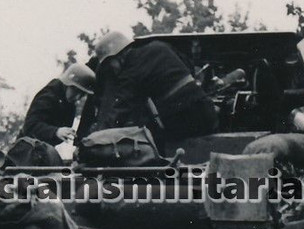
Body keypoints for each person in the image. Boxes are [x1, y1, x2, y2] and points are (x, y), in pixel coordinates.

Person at [87, 31, 218, 148]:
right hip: (206, 110)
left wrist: (99, 136)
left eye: (110, 65)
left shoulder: (131, 70)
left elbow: (121, 108)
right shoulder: (159, 46)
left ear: (117, 57)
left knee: (150, 144)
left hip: (185, 119)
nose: (113, 70)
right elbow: (189, 66)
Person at [19, 62, 96, 146]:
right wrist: (56, 131)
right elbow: (29, 126)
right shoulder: (48, 96)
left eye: (82, 94)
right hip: (24, 151)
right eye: (76, 91)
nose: (78, 97)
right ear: (67, 83)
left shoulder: (68, 103)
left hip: (42, 150)